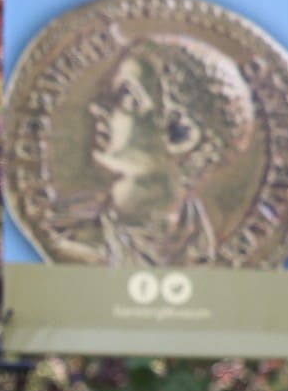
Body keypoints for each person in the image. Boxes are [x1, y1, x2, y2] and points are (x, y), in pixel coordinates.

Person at [41, 33, 259, 267]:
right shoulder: (63, 237)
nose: (98, 107)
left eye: (127, 97)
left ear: (180, 136)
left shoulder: (204, 253)